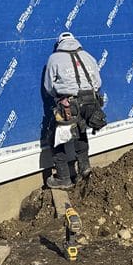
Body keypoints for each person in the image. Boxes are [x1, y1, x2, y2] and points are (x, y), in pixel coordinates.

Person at [43, 32, 105, 188]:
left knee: (56, 138)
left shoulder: (54, 58)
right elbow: (98, 82)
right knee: (81, 133)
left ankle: (63, 178)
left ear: (59, 44)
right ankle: (85, 169)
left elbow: (49, 87)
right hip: (91, 102)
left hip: (69, 104)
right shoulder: (88, 56)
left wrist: (60, 95)